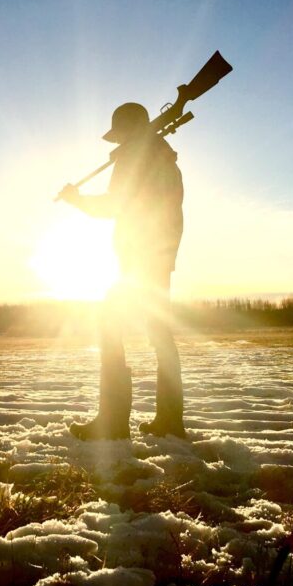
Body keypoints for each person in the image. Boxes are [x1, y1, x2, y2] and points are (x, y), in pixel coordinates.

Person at [58, 102, 186, 440]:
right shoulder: (159, 156)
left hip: (138, 260)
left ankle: (113, 422)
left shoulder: (138, 159)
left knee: (109, 326)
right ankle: (170, 422)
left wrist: (77, 200)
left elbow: (116, 205)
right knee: (160, 336)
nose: (116, 144)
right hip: (157, 258)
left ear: (130, 131)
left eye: (120, 136)